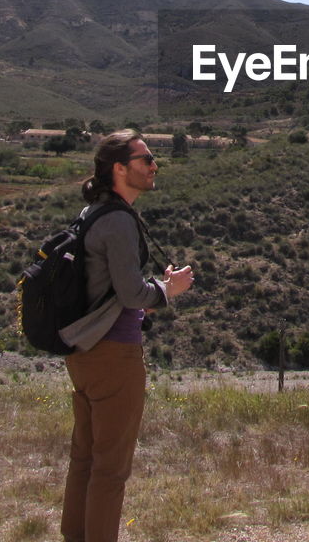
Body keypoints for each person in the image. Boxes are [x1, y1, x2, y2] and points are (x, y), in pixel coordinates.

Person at [59, 130, 193, 542]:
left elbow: (116, 288)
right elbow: (132, 293)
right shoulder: (117, 220)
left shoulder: (93, 212)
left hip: (84, 351)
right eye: (145, 158)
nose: (154, 165)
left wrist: (148, 290)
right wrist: (168, 290)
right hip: (114, 353)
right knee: (111, 468)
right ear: (119, 168)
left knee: (85, 458)